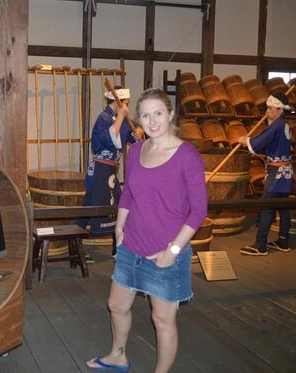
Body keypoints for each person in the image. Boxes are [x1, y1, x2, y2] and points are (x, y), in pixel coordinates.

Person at [87, 88, 207, 373]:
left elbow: (199, 211)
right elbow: (129, 193)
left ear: (170, 114)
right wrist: (119, 227)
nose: (152, 121)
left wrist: (174, 250)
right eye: (145, 115)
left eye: (158, 114)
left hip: (165, 253)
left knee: (162, 320)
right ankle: (118, 356)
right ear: (137, 119)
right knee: (116, 305)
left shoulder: (187, 156)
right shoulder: (137, 149)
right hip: (131, 247)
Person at [75, 86, 144, 258]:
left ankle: (116, 249)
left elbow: (134, 136)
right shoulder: (104, 118)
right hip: (99, 171)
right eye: (126, 103)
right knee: (89, 209)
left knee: (118, 207)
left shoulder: (123, 119)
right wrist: (120, 116)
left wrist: (138, 133)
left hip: (111, 171)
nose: (127, 106)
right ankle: (75, 246)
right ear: (119, 102)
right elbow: (110, 140)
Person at [238, 91, 294, 256]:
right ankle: (283, 241)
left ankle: (260, 245)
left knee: (266, 206)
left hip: (277, 173)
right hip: (287, 172)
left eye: (270, 109)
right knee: (284, 207)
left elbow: (258, 142)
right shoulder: (284, 125)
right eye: (267, 108)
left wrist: (244, 141)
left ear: (279, 110)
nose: (267, 111)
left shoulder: (276, 126)